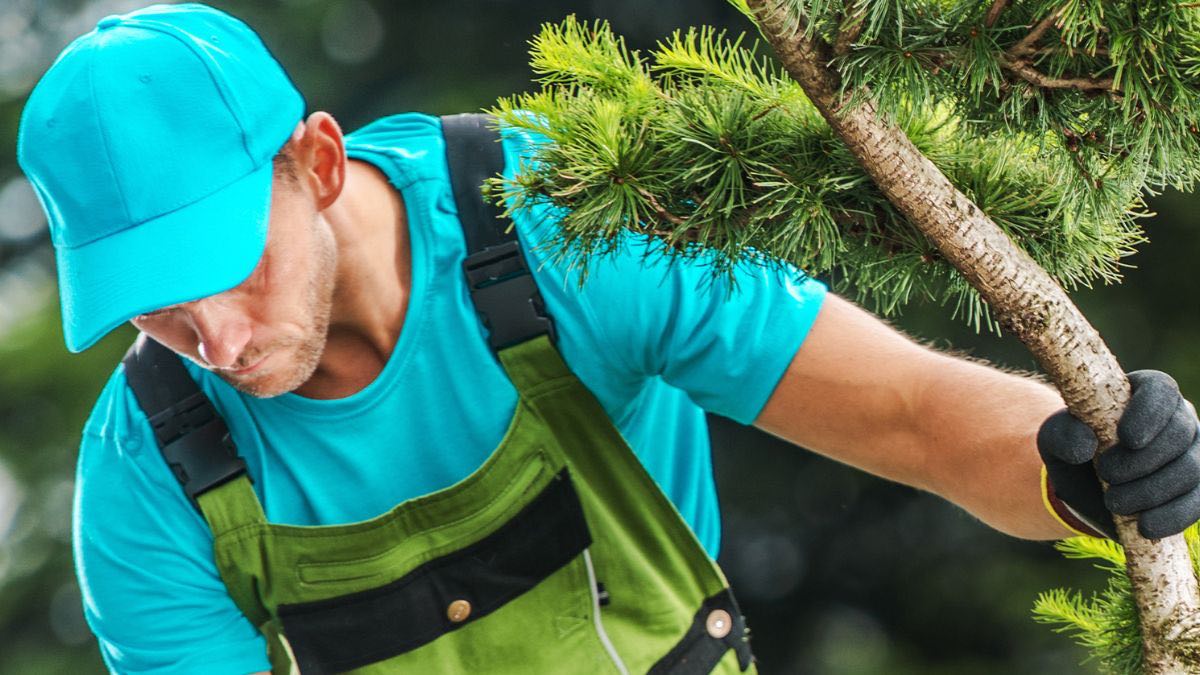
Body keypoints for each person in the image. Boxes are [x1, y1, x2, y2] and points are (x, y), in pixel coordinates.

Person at [15, 3, 1200, 674]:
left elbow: (907, 415)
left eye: (227, 265)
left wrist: (1078, 464)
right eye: (156, 307)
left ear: (319, 163)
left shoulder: (565, 227)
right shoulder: (152, 478)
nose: (208, 336)